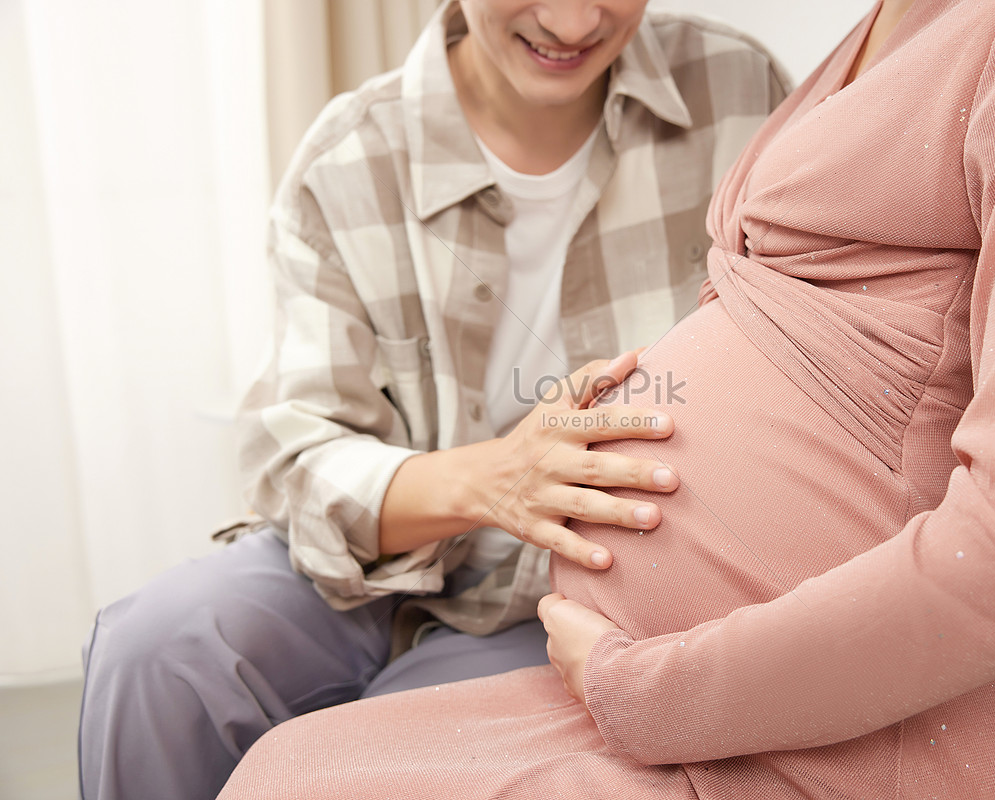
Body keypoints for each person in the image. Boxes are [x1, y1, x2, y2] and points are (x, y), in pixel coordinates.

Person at [216, 0, 995, 797]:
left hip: (799, 730)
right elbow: (289, 447)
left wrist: (646, 687)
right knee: (275, 763)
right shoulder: (890, 22)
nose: (569, 18)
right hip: (659, 666)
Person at [76, 2, 788, 799]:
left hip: (573, 587)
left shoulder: (738, 91)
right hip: (363, 562)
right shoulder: (348, 158)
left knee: (370, 754)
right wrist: (493, 481)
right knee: (156, 651)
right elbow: (299, 456)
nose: (574, 19)